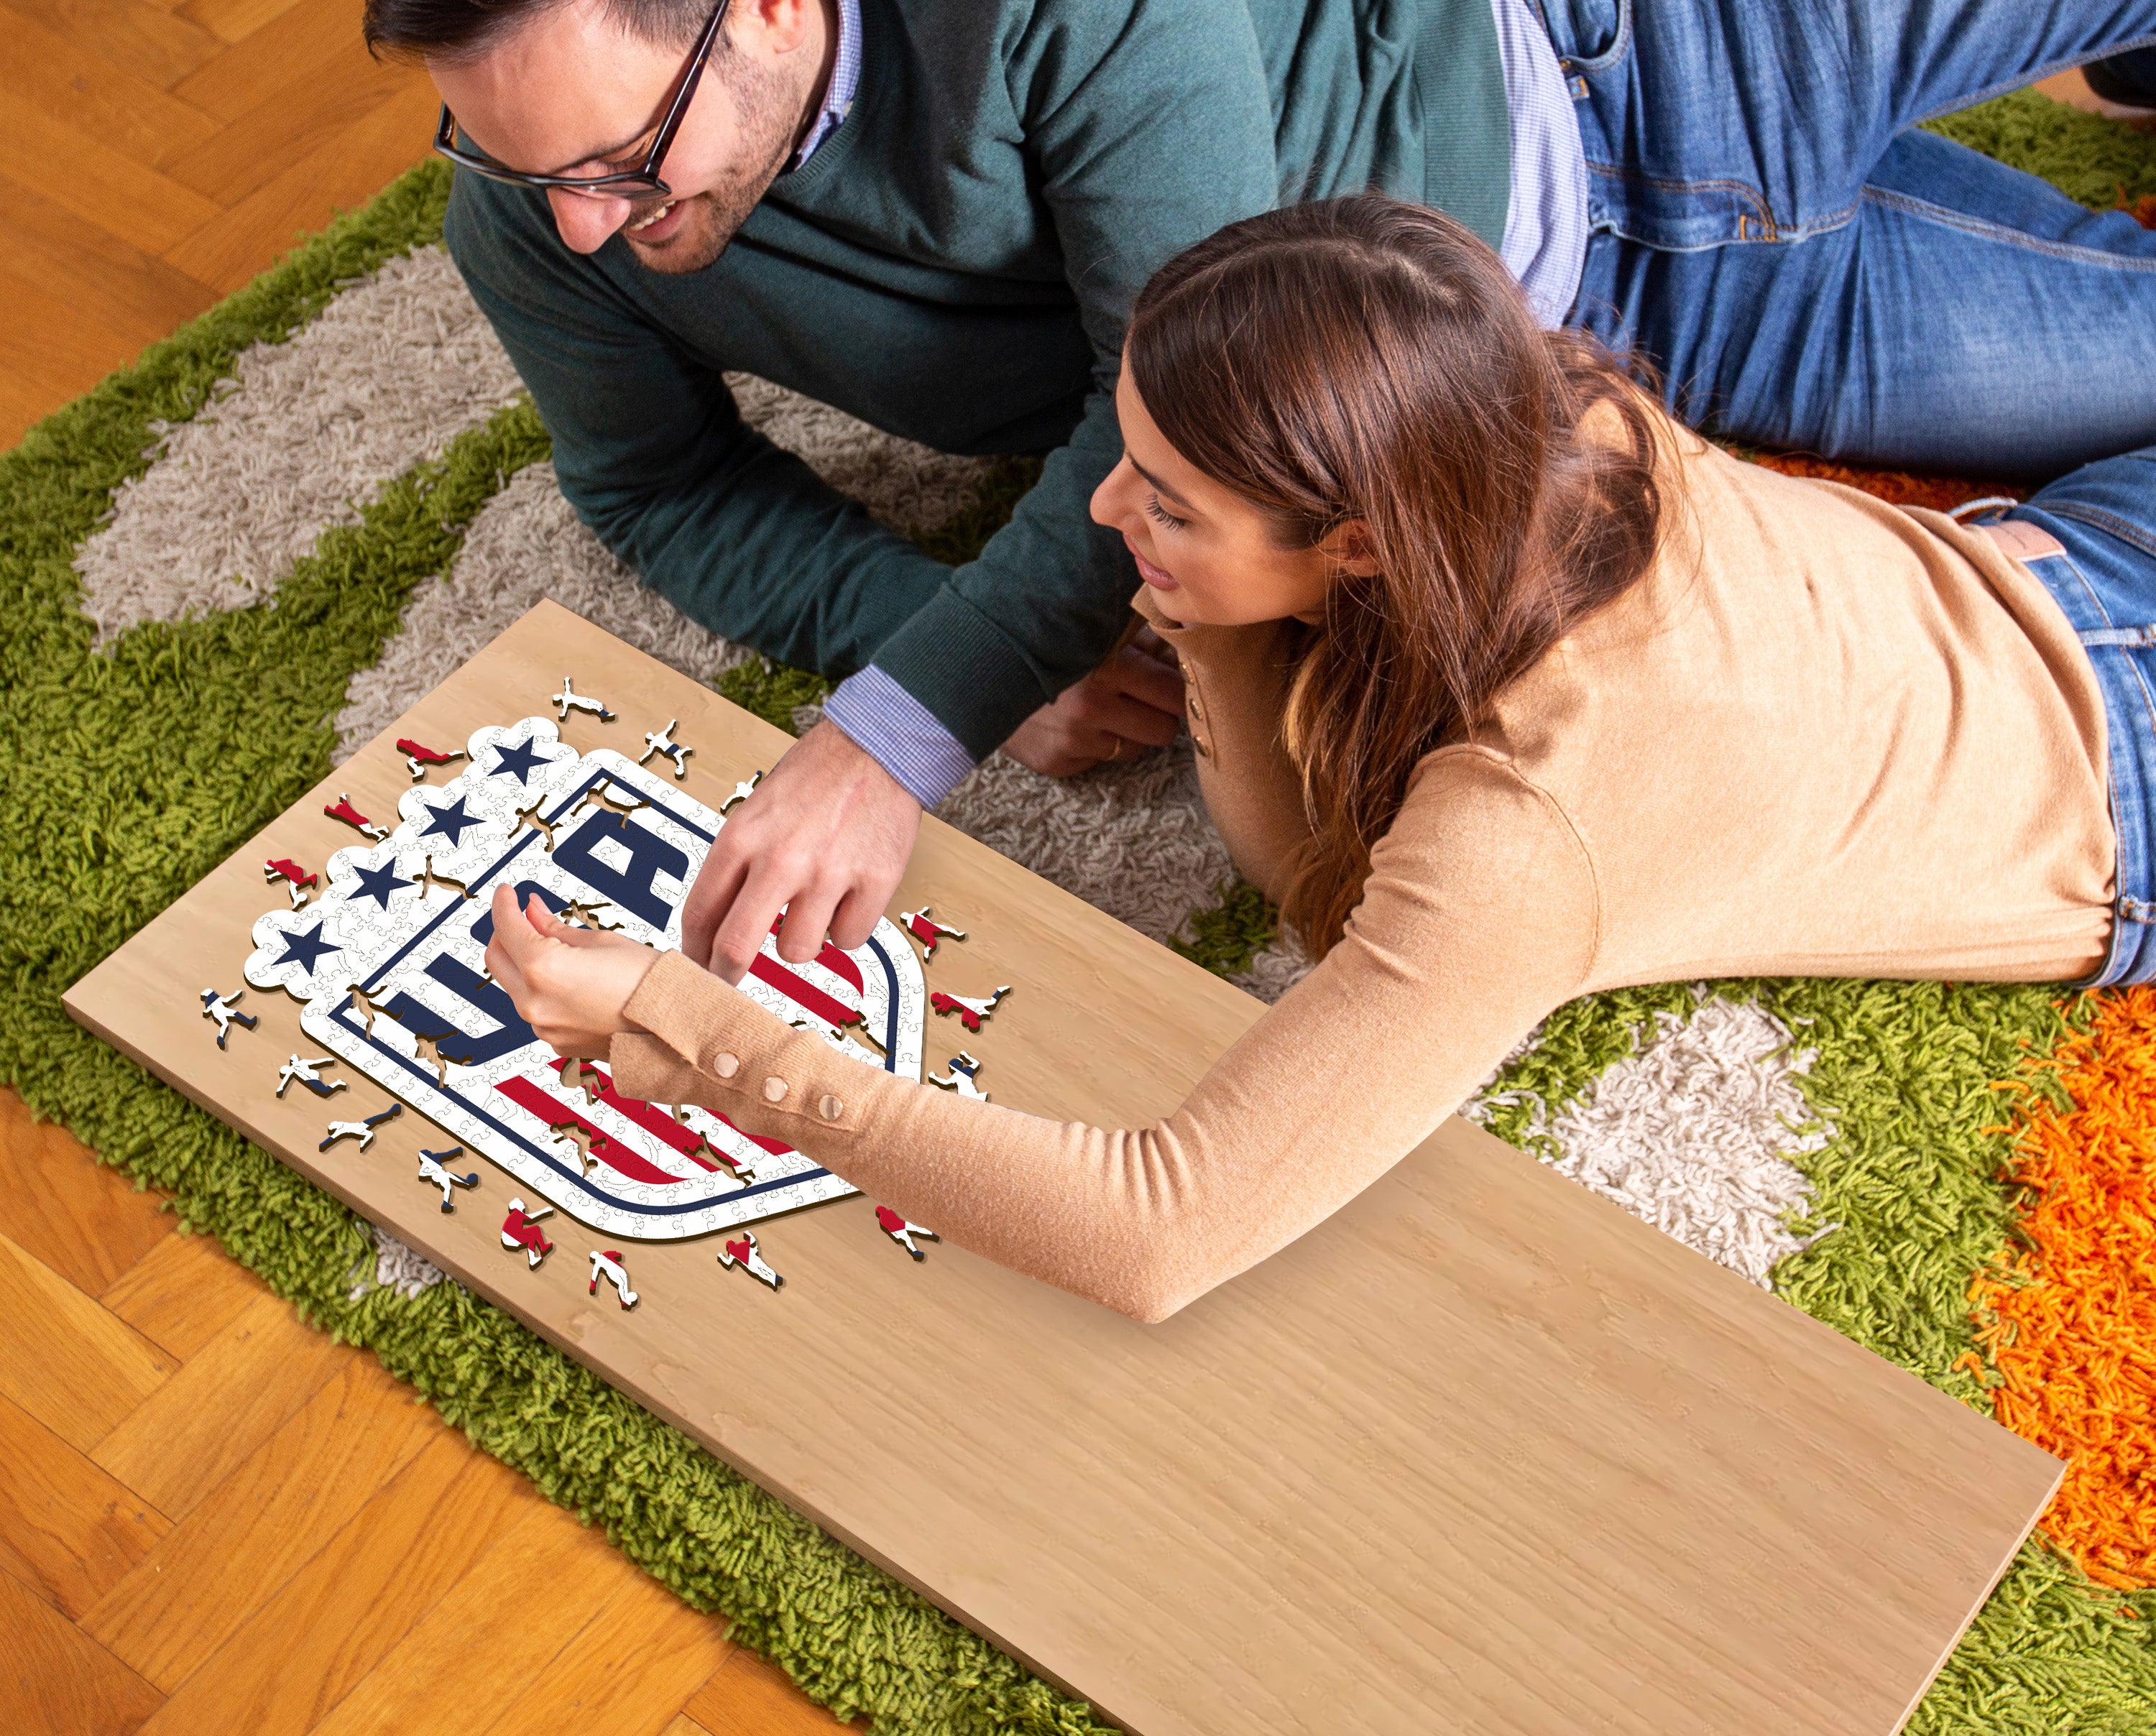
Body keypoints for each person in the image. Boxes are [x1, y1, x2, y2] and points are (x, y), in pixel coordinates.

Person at [364, 0, 2156, 980]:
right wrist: (901, 618)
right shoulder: (532, 209)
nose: (577, 227)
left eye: (616, 162)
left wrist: (898, 726)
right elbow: (651, 479)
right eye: (512, 161)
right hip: (1581, 330)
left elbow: (1164, 381)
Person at [479, 196, 2152, 1323]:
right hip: (2061, 549)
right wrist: (1200, 601)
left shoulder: (1526, 836)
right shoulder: (1517, 394)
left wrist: (683, 1025)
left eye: (1172, 501)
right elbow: (1314, 867)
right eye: (1125, 459)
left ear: (1358, 545)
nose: (1100, 514)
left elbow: (1156, 1228)